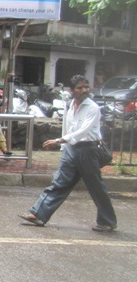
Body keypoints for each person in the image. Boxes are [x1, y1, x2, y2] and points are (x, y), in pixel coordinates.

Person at [20, 74, 117, 232]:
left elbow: (83, 131)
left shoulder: (92, 107)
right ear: (72, 90)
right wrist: (64, 148)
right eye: (80, 88)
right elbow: (67, 126)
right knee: (59, 183)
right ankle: (38, 215)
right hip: (70, 149)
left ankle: (107, 221)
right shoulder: (69, 105)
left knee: (96, 187)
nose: (84, 90)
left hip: (88, 149)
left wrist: (59, 141)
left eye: (86, 87)